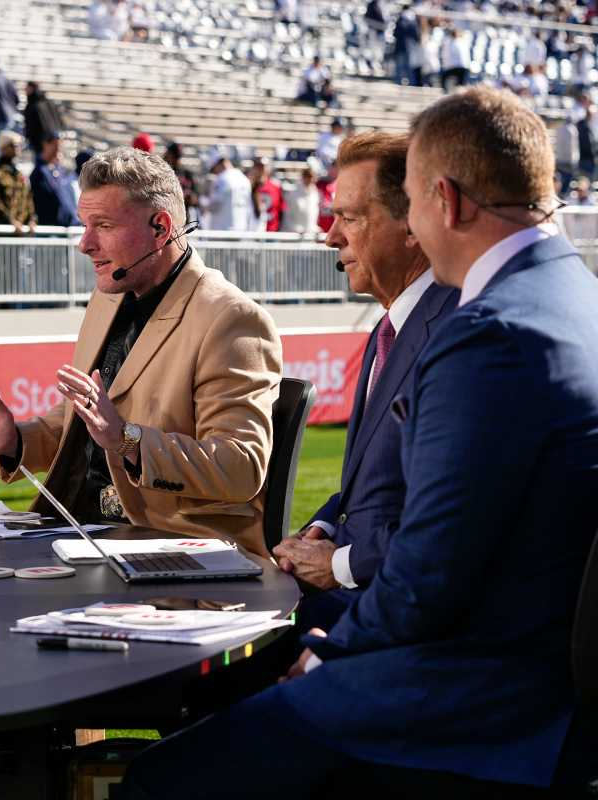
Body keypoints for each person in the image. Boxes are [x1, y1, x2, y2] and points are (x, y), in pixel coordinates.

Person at [121, 85, 598, 799]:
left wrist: (328, 657)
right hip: (529, 679)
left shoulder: (488, 335)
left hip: (482, 701)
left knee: (159, 779)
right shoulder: (574, 293)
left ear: (445, 200)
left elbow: (427, 576)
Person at [0, 147, 282, 554]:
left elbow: (240, 468)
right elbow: (80, 422)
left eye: (102, 225)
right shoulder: (109, 295)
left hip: (168, 549)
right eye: (85, 225)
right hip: (79, 534)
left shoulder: (231, 318)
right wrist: (13, 440)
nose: (85, 244)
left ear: (160, 227)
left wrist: (128, 440)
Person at [272, 132, 458, 631]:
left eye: (350, 218)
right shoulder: (390, 324)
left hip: (398, 618)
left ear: (414, 225)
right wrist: (324, 526)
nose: (331, 236)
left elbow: (452, 526)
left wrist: (338, 565)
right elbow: (376, 486)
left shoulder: (458, 334)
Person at [0, 130, 35, 232]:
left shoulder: (19, 174)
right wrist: (10, 221)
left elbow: (28, 198)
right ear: (4, 148)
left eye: (18, 145)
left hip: (20, 231)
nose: (17, 148)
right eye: (13, 145)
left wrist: (31, 219)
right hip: (2, 231)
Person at [30, 131, 80, 227]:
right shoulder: (39, 172)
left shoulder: (57, 169)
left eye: (60, 145)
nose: (58, 149)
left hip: (66, 227)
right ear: (45, 145)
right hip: (51, 229)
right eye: (55, 145)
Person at [205, 156, 252, 232]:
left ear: (219, 164)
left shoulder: (222, 179)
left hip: (222, 228)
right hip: (241, 227)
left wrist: (205, 206)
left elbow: (215, 204)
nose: (215, 172)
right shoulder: (244, 179)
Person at [23, 81, 65, 152]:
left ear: (32, 88)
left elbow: (33, 124)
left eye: (27, 88)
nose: (25, 90)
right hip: (51, 138)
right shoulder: (48, 102)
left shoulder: (34, 105)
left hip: (41, 141)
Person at [280, 166, 320, 234]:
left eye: (313, 177)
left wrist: (314, 228)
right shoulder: (292, 194)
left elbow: (312, 216)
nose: (311, 179)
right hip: (293, 235)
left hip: (309, 236)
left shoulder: (315, 194)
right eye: (309, 176)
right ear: (303, 177)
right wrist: (297, 229)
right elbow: (287, 217)